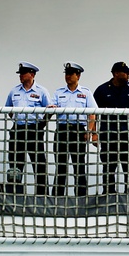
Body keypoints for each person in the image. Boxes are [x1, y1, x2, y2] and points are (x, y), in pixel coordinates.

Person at [3, 61, 53, 196]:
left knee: (39, 165)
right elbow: (8, 109)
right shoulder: (14, 91)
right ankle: (15, 196)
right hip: (18, 130)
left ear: (32, 74)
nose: (20, 76)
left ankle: (42, 197)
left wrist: (41, 124)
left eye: (23, 73)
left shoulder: (41, 91)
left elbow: (49, 110)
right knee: (15, 165)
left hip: (34, 130)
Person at [95, 61, 129, 194]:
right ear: (115, 73)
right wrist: (93, 133)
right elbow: (93, 112)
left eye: (128, 72)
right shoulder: (102, 90)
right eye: (125, 72)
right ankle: (109, 193)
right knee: (109, 166)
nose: (128, 74)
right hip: (109, 135)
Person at [52, 62, 97, 197]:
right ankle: (57, 197)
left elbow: (92, 113)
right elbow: (51, 108)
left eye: (71, 74)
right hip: (62, 130)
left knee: (79, 166)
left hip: (78, 130)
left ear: (78, 76)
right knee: (60, 167)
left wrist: (89, 131)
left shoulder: (85, 92)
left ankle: (81, 197)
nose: (68, 76)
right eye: (66, 74)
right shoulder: (58, 92)